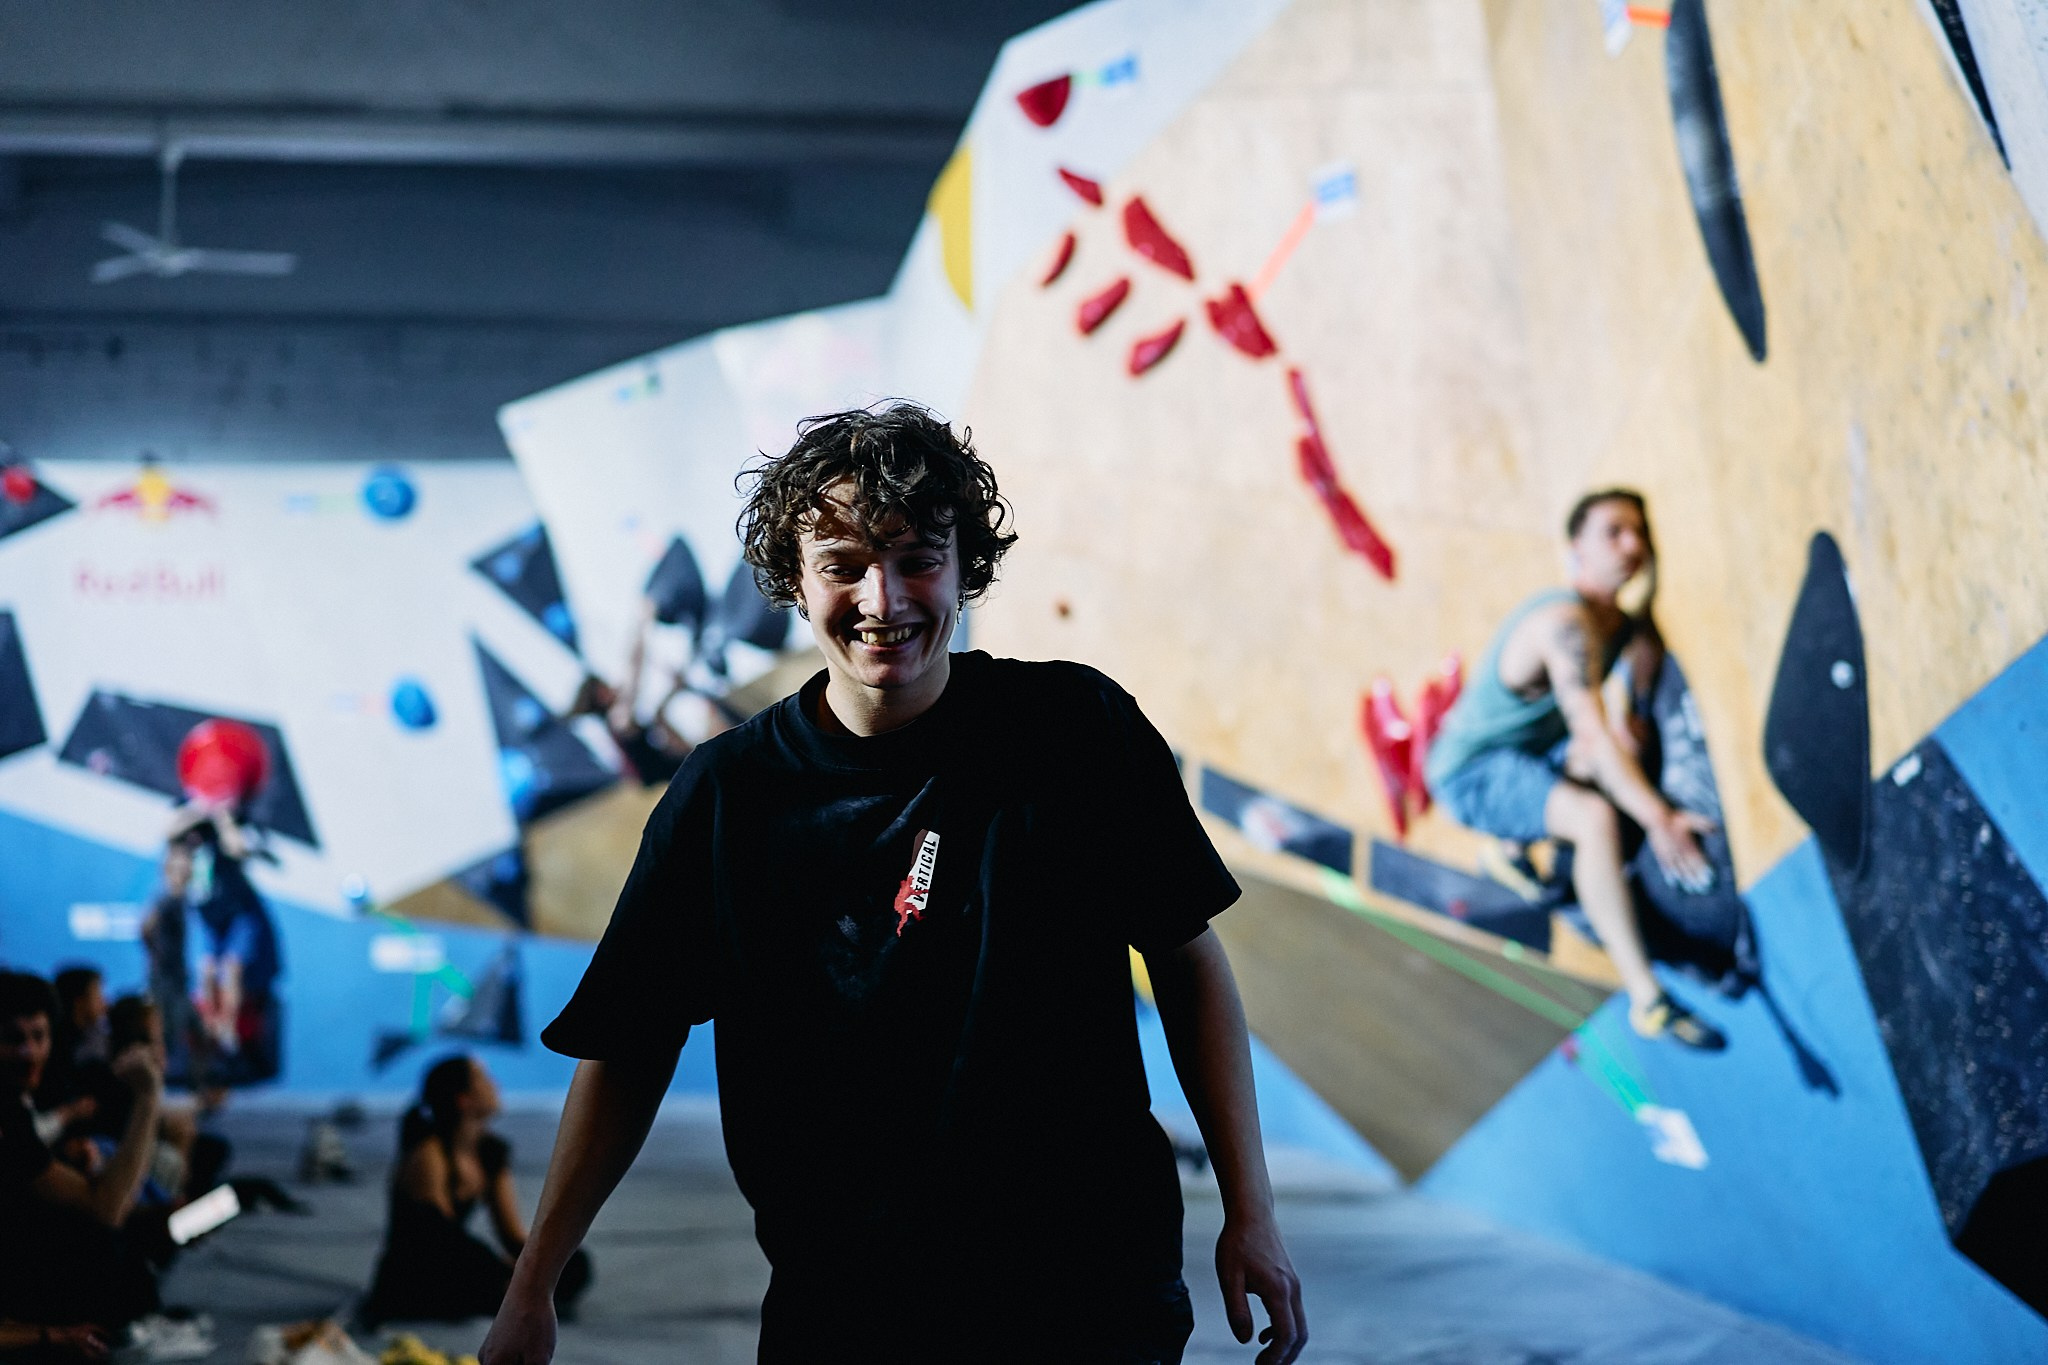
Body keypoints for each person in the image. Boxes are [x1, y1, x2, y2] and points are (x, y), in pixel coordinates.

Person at [481, 405, 1305, 1365]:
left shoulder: (1077, 729)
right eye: (843, 563)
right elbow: (628, 1045)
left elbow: (1187, 957)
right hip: (847, 1304)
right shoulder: (726, 798)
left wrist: (1252, 1211)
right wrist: (533, 1281)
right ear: (794, 577)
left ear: (966, 570)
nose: (885, 596)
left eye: (918, 556)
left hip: (1088, 1290)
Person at [1423, 489, 1725, 1049]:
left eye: (1639, 532)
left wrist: (1631, 718)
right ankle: (1648, 1002)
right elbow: (1588, 726)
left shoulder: (1619, 626)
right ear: (1575, 548)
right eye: (1613, 531)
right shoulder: (1562, 622)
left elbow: (1629, 680)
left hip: (1530, 753)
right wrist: (1659, 819)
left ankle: (1509, 852)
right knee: (1595, 819)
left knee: (1615, 758)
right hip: (1469, 772)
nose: (1632, 544)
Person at [363, 1054, 590, 1325]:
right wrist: (509, 1271)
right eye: (485, 1079)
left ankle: (508, 1290)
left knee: (570, 1263)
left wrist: (546, 1261)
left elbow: (512, 1236)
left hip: (459, 1260)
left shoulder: (490, 1152)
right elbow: (441, 1238)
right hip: (419, 1271)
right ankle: (503, 1291)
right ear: (464, 1100)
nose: (496, 1085)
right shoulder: (429, 1154)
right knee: (482, 1268)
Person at [0, 971, 163, 1334]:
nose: (29, 1052)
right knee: (101, 1245)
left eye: (38, 1037)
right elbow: (106, 1210)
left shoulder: (16, 1107)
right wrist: (148, 1096)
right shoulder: (7, 1115)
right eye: (13, 1039)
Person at [169, 805, 283, 1086]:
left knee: (231, 969)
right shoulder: (189, 840)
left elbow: (238, 848)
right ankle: (210, 1030)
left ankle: (227, 1029)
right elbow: (169, 834)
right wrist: (197, 811)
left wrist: (221, 817)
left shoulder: (227, 837)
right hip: (210, 918)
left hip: (236, 916)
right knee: (206, 970)